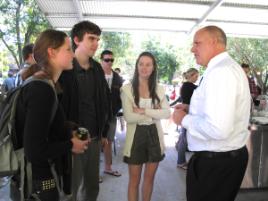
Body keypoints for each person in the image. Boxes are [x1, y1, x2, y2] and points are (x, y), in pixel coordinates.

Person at [173, 25, 250, 201]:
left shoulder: (221, 72)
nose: (192, 49)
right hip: (224, 160)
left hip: (216, 164)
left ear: (214, 42)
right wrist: (191, 108)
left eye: (197, 43)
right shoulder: (225, 68)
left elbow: (218, 129)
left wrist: (184, 119)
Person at [14, 29, 89, 201]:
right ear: (52, 52)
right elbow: (35, 150)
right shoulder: (41, 90)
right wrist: (71, 145)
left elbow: (46, 126)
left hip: (40, 178)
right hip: (40, 183)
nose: (73, 55)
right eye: (68, 49)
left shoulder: (45, 84)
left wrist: (72, 129)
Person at [59, 20, 110, 201]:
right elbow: (58, 109)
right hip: (73, 139)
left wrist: (104, 131)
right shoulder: (65, 68)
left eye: (97, 39)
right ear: (77, 40)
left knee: (92, 187)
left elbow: (104, 101)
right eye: (91, 39)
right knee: (71, 188)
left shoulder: (97, 68)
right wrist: (67, 135)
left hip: (95, 136)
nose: (96, 44)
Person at [121, 51, 170, 201]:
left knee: (149, 180)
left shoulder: (160, 89)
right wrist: (155, 112)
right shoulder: (127, 89)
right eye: (141, 64)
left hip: (154, 135)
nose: (144, 67)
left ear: (153, 67)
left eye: (148, 64)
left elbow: (167, 113)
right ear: (136, 66)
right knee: (134, 181)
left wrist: (143, 111)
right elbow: (129, 117)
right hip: (136, 136)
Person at [100, 50, 123, 177]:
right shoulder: (95, 75)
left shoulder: (117, 77)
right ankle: (93, 173)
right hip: (97, 116)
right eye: (107, 60)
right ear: (101, 60)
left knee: (109, 141)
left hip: (111, 115)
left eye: (111, 60)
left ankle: (108, 168)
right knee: (96, 143)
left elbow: (121, 97)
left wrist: (115, 110)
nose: (109, 62)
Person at [176, 68, 198, 170]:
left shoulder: (184, 85)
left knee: (183, 137)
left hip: (185, 112)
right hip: (188, 112)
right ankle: (181, 162)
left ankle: (181, 160)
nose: (197, 78)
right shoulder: (193, 87)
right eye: (196, 76)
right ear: (192, 76)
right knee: (184, 138)